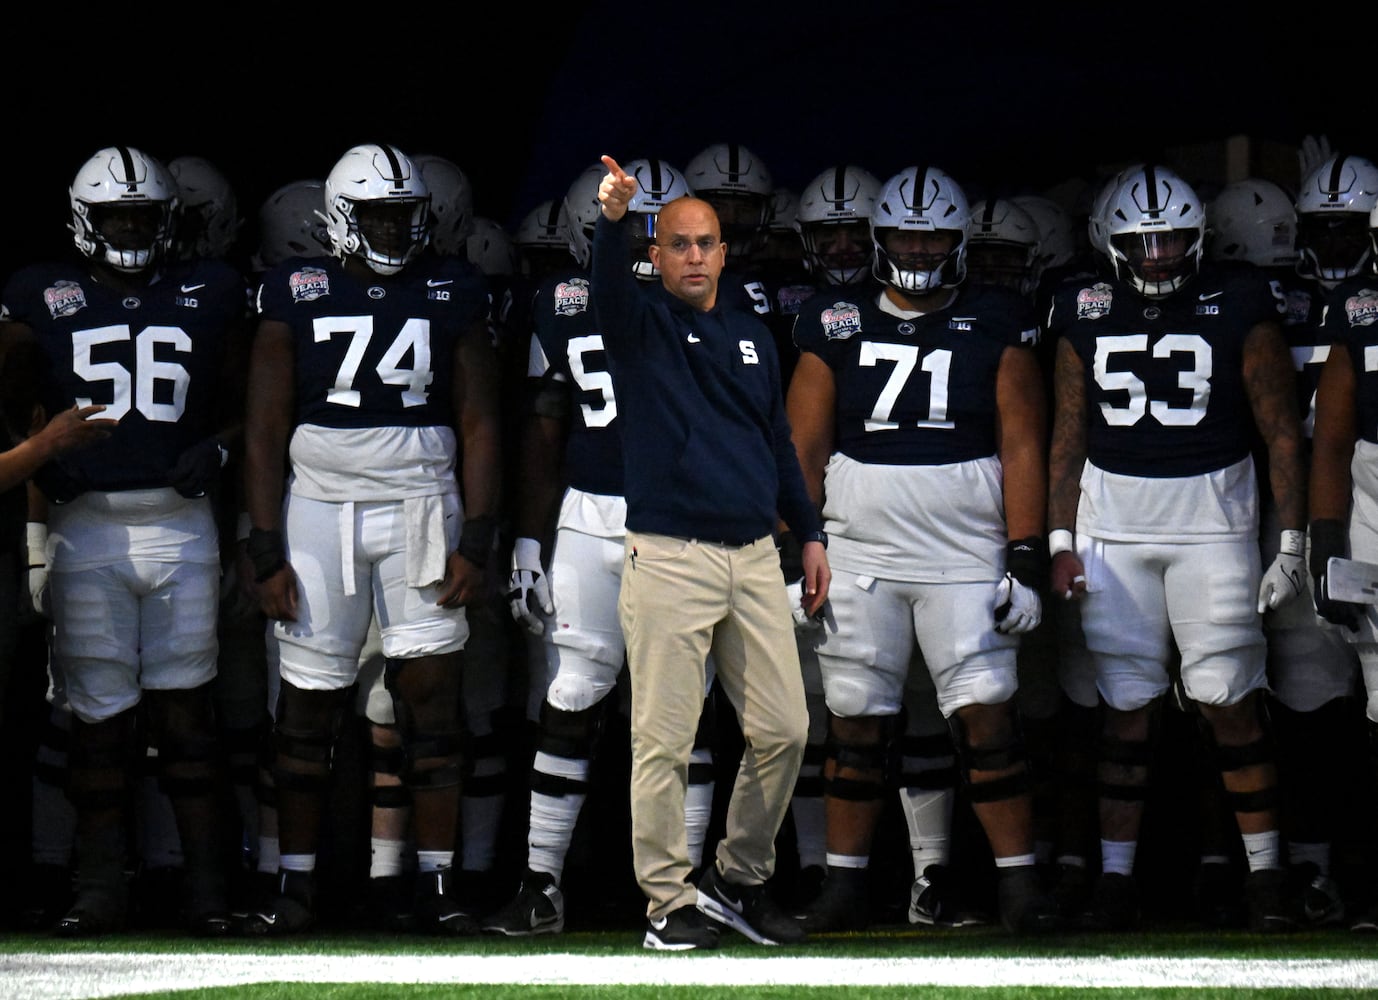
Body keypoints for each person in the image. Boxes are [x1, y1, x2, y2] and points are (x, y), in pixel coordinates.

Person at [788, 164, 1058, 936]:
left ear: (958, 241)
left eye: (932, 234)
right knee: (855, 717)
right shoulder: (831, 319)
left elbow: (1023, 443)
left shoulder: (997, 318)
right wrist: (793, 548)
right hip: (860, 545)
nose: (918, 247)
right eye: (905, 233)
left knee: (986, 715)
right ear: (880, 240)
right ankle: (843, 886)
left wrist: (1026, 554)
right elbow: (801, 448)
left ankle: (1017, 886)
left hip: (963, 546)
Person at [239, 142, 500, 935]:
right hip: (320, 506)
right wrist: (263, 545)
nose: (392, 229)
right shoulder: (295, 288)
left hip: (422, 500)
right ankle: (296, 886)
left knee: (432, 701)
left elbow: (482, 418)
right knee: (308, 706)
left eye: (402, 214)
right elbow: (264, 428)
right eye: (377, 215)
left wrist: (480, 536)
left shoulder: (453, 285)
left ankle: (438, 886)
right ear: (342, 220)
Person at [1046, 164, 1306, 933]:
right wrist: (1057, 540)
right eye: (1144, 241)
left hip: (1212, 521)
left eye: (1173, 241)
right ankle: (1116, 882)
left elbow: (1280, 426)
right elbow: (1067, 432)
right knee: (1125, 707)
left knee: (1229, 699)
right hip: (1112, 526)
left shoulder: (1240, 298)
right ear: (1109, 243)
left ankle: (1265, 879)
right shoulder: (1079, 304)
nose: (1158, 256)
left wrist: (1290, 540)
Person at [1, 144, 247, 936]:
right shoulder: (39, 291)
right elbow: (7, 400)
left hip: (178, 522)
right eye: (118, 217)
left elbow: (257, 398)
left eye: (144, 215)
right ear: (83, 221)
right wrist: (39, 472)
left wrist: (223, 446)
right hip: (89, 526)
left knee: (187, 717)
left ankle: (207, 893)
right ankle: (97, 889)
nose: (133, 229)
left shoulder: (210, 288)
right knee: (99, 722)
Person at [593, 155, 828, 951]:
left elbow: (778, 446)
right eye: (679, 244)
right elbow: (605, 294)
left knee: (786, 729)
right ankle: (666, 903)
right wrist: (613, 218)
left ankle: (735, 880)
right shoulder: (639, 324)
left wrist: (812, 534)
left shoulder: (753, 334)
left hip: (756, 555)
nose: (694, 255)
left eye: (707, 243)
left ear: (727, 253)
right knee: (661, 740)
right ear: (655, 257)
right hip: (668, 554)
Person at [485, 163, 718, 937]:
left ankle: (676, 893)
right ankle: (542, 883)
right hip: (590, 513)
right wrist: (529, 537)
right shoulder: (561, 302)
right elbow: (546, 425)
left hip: (680, 515)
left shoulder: (715, 303)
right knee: (573, 693)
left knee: (680, 706)